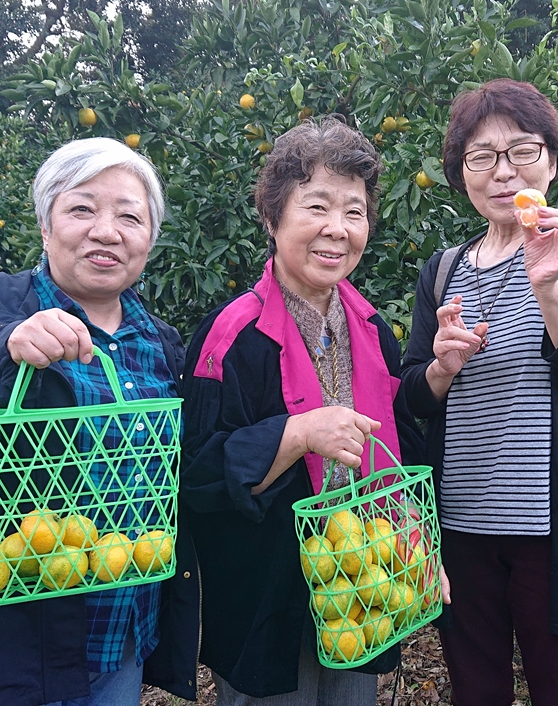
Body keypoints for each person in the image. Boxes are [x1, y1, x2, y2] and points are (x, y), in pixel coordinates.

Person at [0, 137, 198, 706]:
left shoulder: (161, 344)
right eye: (82, 209)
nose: (106, 231)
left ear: (149, 239)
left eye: (130, 217)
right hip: (1, 652)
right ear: (46, 226)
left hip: (118, 639)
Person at [400, 78, 558, 705]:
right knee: (476, 692)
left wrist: (550, 286)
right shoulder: (442, 271)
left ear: (552, 161)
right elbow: (412, 398)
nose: (503, 172)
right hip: (462, 529)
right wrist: (442, 368)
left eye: (523, 151)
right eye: (482, 156)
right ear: (462, 174)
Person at [179, 116, 429, 705]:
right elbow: (196, 473)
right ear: (272, 218)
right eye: (316, 206)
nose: (336, 229)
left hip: (363, 588)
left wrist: (417, 553)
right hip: (267, 599)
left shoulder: (372, 329)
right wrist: (294, 434)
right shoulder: (231, 336)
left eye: (354, 211)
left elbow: (401, 450)